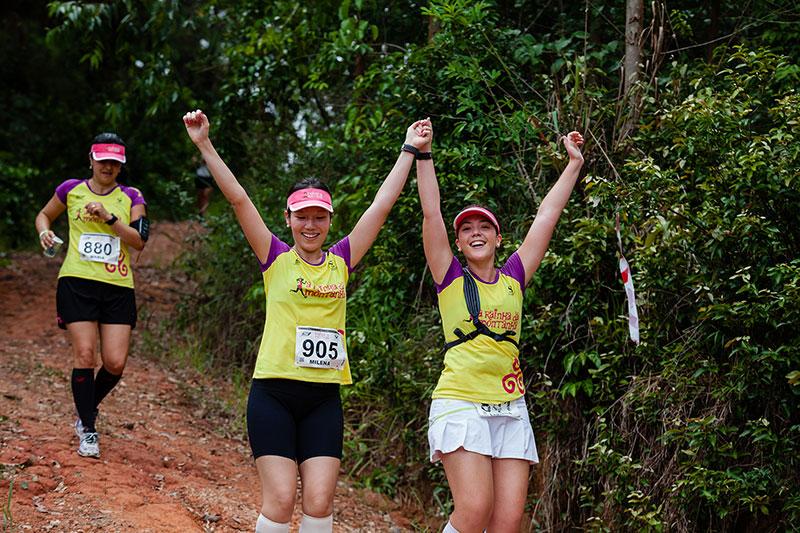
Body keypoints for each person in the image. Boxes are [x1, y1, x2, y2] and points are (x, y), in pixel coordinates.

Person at [182, 109, 429, 533]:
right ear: (289, 219)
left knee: (319, 501)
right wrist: (204, 143)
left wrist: (409, 149)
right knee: (279, 502)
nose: (310, 225)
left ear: (330, 220)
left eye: (319, 217)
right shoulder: (274, 256)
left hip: (322, 399)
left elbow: (382, 206)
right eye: (302, 216)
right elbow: (239, 198)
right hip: (273, 394)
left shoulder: (343, 261)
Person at [415, 118, 584, 533]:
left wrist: (574, 164)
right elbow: (431, 213)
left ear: (498, 237)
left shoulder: (513, 277)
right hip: (461, 401)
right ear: (458, 243)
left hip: (510, 405)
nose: (475, 233)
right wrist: (423, 154)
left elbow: (548, 215)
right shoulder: (450, 276)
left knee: (507, 522)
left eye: (484, 227)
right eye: (467, 229)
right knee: (474, 510)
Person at [35, 132, 149, 459]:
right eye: (103, 160)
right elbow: (44, 214)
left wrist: (110, 218)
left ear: (121, 166)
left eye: (115, 162)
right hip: (77, 281)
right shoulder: (70, 189)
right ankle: (88, 427)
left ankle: (86, 407)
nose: (108, 167)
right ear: (91, 159)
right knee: (85, 355)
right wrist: (45, 231)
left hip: (117, 285)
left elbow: (139, 240)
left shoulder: (131, 196)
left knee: (114, 362)